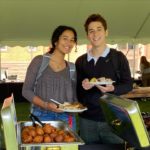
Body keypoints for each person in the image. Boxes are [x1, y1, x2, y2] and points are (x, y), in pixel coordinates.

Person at [75, 14, 133, 144]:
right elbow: (78, 91)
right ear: (87, 35)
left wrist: (113, 88)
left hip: (113, 120)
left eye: (99, 29)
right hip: (87, 121)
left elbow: (128, 84)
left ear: (106, 32)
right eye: (91, 31)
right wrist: (83, 86)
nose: (95, 34)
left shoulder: (118, 57)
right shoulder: (81, 61)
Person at [22, 25, 78, 131]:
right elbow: (26, 91)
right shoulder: (39, 61)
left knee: (68, 147)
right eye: (65, 38)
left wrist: (76, 107)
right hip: (42, 116)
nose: (69, 43)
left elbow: (74, 97)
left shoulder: (72, 67)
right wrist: (45, 105)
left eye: (72, 40)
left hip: (66, 117)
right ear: (56, 41)